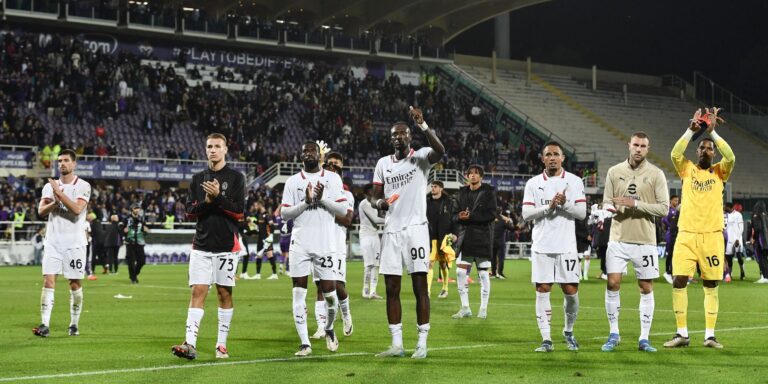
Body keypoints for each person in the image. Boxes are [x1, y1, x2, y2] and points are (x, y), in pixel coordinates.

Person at [372, 106, 445, 359]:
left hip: (416, 230)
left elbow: (441, 150)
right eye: (394, 134)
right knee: (391, 288)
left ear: (410, 137)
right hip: (391, 231)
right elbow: (374, 197)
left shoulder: (421, 156)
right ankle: (397, 344)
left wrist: (424, 125)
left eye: (402, 134)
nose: (398, 137)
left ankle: (422, 343)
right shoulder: (382, 164)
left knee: (419, 288)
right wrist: (379, 203)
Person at [664, 107, 734, 349]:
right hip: (686, 235)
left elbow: (732, 157)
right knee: (679, 280)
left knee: (711, 284)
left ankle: (710, 336)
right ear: (697, 151)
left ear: (714, 153)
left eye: (709, 148)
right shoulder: (687, 169)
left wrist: (712, 133)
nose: (706, 150)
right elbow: (674, 154)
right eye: (702, 147)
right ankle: (681, 333)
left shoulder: (720, 172)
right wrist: (689, 130)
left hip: (712, 236)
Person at [171, 133, 245, 360]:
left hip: (226, 246)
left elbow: (239, 212)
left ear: (225, 150)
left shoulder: (235, 178)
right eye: (209, 146)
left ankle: (221, 344)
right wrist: (208, 201)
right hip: (201, 246)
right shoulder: (197, 178)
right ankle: (189, 343)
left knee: (224, 293)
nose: (212, 150)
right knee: (198, 291)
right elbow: (190, 211)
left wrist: (218, 198)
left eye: (217, 146)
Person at [599, 132, 669, 353]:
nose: (639, 149)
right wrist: (609, 209)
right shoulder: (614, 172)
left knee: (646, 287)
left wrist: (635, 203)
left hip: (645, 240)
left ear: (648, 149)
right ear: (629, 145)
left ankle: (644, 338)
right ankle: (613, 334)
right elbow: (606, 202)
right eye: (636, 145)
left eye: (643, 146)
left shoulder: (656, 174)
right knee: (612, 283)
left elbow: (664, 209)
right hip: (618, 238)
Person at [280, 141, 349, 357]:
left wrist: (322, 199)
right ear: (300, 156)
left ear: (320, 156)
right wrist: (306, 202)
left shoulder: (332, 178)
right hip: (300, 244)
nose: (309, 153)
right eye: (305, 151)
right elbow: (284, 214)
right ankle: (304, 343)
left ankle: (328, 328)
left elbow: (343, 209)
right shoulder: (292, 182)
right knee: (298, 294)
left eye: (313, 151)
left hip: (325, 244)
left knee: (330, 294)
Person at [522, 141, 586, 352]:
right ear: (542, 159)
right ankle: (546, 338)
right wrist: (548, 207)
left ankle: (568, 331)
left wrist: (565, 203)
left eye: (556, 154)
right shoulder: (533, 183)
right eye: (548, 154)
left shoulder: (575, 181)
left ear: (562, 158)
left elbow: (581, 213)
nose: (552, 157)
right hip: (542, 245)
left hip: (567, 246)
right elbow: (526, 214)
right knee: (543, 290)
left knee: (571, 292)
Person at [33, 149, 91, 337]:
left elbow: (76, 209)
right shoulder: (49, 187)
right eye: (60, 161)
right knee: (48, 280)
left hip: (75, 244)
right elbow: (41, 211)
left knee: (74, 283)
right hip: (53, 242)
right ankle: (44, 324)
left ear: (74, 164)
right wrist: (54, 203)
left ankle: (74, 324)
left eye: (66, 160)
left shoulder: (83, 186)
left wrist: (59, 194)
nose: (62, 164)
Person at [452, 165, 497, 319]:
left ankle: (483, 309)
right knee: (459, 272)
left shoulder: (488, 192)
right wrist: (459, 216)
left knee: (483, 274)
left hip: (482, 237)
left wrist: (470, 217)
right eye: (470, 173)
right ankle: (465, 307)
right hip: (466, 238)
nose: (472, 176)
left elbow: (491, 215)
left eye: (476, 173)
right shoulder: (461, 193)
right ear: (466, 176)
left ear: (481, 177)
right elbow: (453, 215)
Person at [324, 154, 355, 337]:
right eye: (329, 166)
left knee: (338, 285)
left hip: (336, 244)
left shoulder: (346, 194)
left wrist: (325, 209)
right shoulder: (319, 191)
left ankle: (346, 313)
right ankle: (323, 326)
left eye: (335, 166)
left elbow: (347, 219)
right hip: (319, 243)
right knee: (322, 286)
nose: (331, 169)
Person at [426, 180, 458, 298]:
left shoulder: (449, 202)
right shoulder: (426, 201)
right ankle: (427, 291)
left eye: (435, 187)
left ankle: (445, 288)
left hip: (444, 237)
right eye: (432, 186)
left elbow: (454, 219)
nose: (433, 188)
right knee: (429, 263)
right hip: (430, 237)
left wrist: (455, 234)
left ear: (441, 189)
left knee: (443, 264)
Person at [359, 184, 384, 299]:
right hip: (366, 236)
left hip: (375, 235)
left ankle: (373, 291)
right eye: (370, 193)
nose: (373, 194)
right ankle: (365, 289)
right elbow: (375, 220)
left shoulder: (375, 204)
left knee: (376, 265)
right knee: (369, 264)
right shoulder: (364, 204)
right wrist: (390, 220)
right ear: (366, 194)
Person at [124, 203, 149, 284]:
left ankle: (134, 275)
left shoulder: (141, 219)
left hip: (140, 242)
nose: (137, 210)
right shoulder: (126, 219)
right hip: (130, 242)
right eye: (136, 208)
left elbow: (144, 230)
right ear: (132, 209)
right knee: (131, 262)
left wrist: (146, 231)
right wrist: (123, 231)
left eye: (138, 208)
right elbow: (121, 228)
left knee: (142, 261)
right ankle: (133, 278)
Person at [590, 203, 612, 279]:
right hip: (602, 242)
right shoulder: (599, 219)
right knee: (603, 258)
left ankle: (606, 273)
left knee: (606, 258)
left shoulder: (609, 219)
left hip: (606, 242)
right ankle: (604, 272)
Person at [662, 195, 681, 284]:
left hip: (676, 232)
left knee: (673, 253)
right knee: (670, 253)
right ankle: (668, 271)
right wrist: (670, 226)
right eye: (675, 200)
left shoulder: (677, 210)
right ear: (671, 201)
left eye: (677, 200)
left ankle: (671, 271)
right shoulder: (669, 210)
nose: (676, 202)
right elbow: (664, 220)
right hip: (670, 233)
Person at [723, 202, 745, 282]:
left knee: (739, 257)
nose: (724, 208)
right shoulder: (725, 215)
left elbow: (741, 228)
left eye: (725, 207)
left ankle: (742, 272)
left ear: (729, 207)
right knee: (729, 258)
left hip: (737, 239)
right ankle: (730, 274)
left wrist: (738, 239)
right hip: (729, 240)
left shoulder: (738, 215)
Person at [492, 209, 516, 280]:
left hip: (492, 242)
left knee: (493, 258)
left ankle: (493, 273)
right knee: (501, 258)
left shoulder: (491, 221)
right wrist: (509, 221)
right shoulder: (503, 221)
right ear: (501, 213)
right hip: (500, 243)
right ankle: (500, 273)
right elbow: (512, 229)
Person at [750, 201, 768, 283]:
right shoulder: (766, 215)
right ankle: (766, 276)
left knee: (761, 258)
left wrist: (753, 238)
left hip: (760, 240)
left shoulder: (756, 216)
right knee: (764, 258)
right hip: (766, 240)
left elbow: (757, 229)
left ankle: (764, 277)